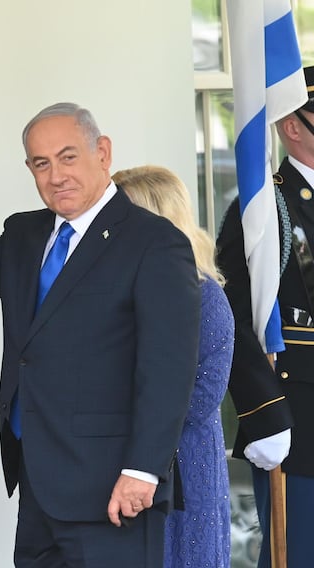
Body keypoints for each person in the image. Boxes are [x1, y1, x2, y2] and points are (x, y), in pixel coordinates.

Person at [0, 103, 201, 567]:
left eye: (68, 157)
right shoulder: (26, 233)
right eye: (41, 163)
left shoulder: (154, 242)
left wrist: (143, 470)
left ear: (103, 153)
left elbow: (167, 369)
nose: (55, 175)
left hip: (112, 488)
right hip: (37, 483)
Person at [216, 65, 314, 568]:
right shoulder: (261, 211)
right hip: (301, 421)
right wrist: (263, 413)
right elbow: (232, 314)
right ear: (292, 126)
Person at [113, 165, 234, 568]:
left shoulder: (206, 297)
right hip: (119, 459)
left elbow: (200, 398)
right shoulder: (115, 290)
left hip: (185, 467)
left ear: (156, 220)